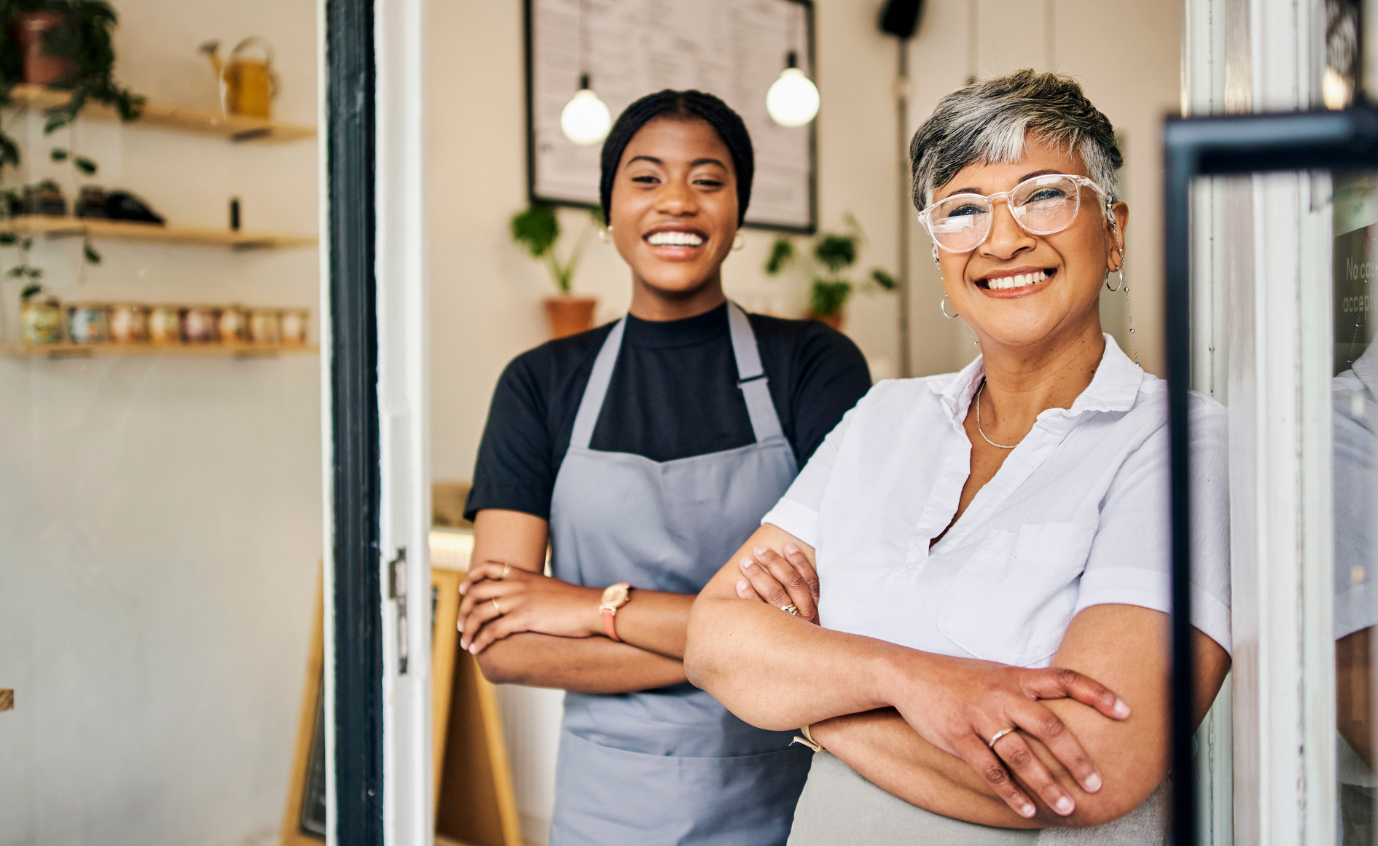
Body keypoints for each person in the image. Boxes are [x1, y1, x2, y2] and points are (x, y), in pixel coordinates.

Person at [687, 70, 1233, 843]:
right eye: (964, 210)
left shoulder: (1179, 442)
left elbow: (1093, 766)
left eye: (1044, 194)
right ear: (942, 257)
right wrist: (909, 681)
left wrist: (811, 694)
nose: (1003, 238)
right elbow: (714, 638)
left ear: (1112, 231)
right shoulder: (885, 416)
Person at [456, 89, 872, 846]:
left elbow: (840, 622)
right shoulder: (540, 383)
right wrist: (751, 648)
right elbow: (502, 644)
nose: (676, 202)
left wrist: (589, 609)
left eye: (708, 180)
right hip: (605, 812)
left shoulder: (812, 365)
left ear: (738, 212)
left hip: (786, 798)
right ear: (609, 210)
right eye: (646, 179)